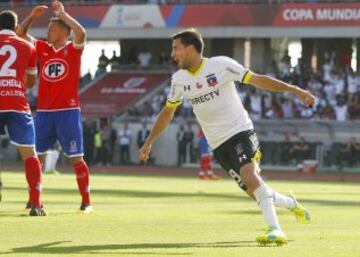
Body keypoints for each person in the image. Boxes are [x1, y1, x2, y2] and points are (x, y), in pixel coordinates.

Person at [139, 28, 314, 245]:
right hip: (218, 143)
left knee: (250, 177)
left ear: (191, 48)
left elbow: (257, 79)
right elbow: (167, 112)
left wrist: (294, 89)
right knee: (255, 191)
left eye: (176, 48)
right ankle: (291, 204)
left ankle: (275, 229)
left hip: (240, 130)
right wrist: (149, 142)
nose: (172, 54)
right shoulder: (179, 80)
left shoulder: (221, 65)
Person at [18, 1, 92, 213]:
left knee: (76, 159)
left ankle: (86, 201)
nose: (48, 31)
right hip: (43, 113)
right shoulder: (43, 49)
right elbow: (21, 35)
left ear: (63, 31)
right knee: (36, 158)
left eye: (52, 28)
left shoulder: (73, 49)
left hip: (68, 112)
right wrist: (32, 17)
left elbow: (81, 32)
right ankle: (34, 200)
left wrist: (64, 14)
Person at [0, 10, 45, 216]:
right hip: (17, 102)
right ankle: (35, 203)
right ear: (16, 27)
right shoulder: (28, 46)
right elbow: (31, 81)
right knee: (29, 154)